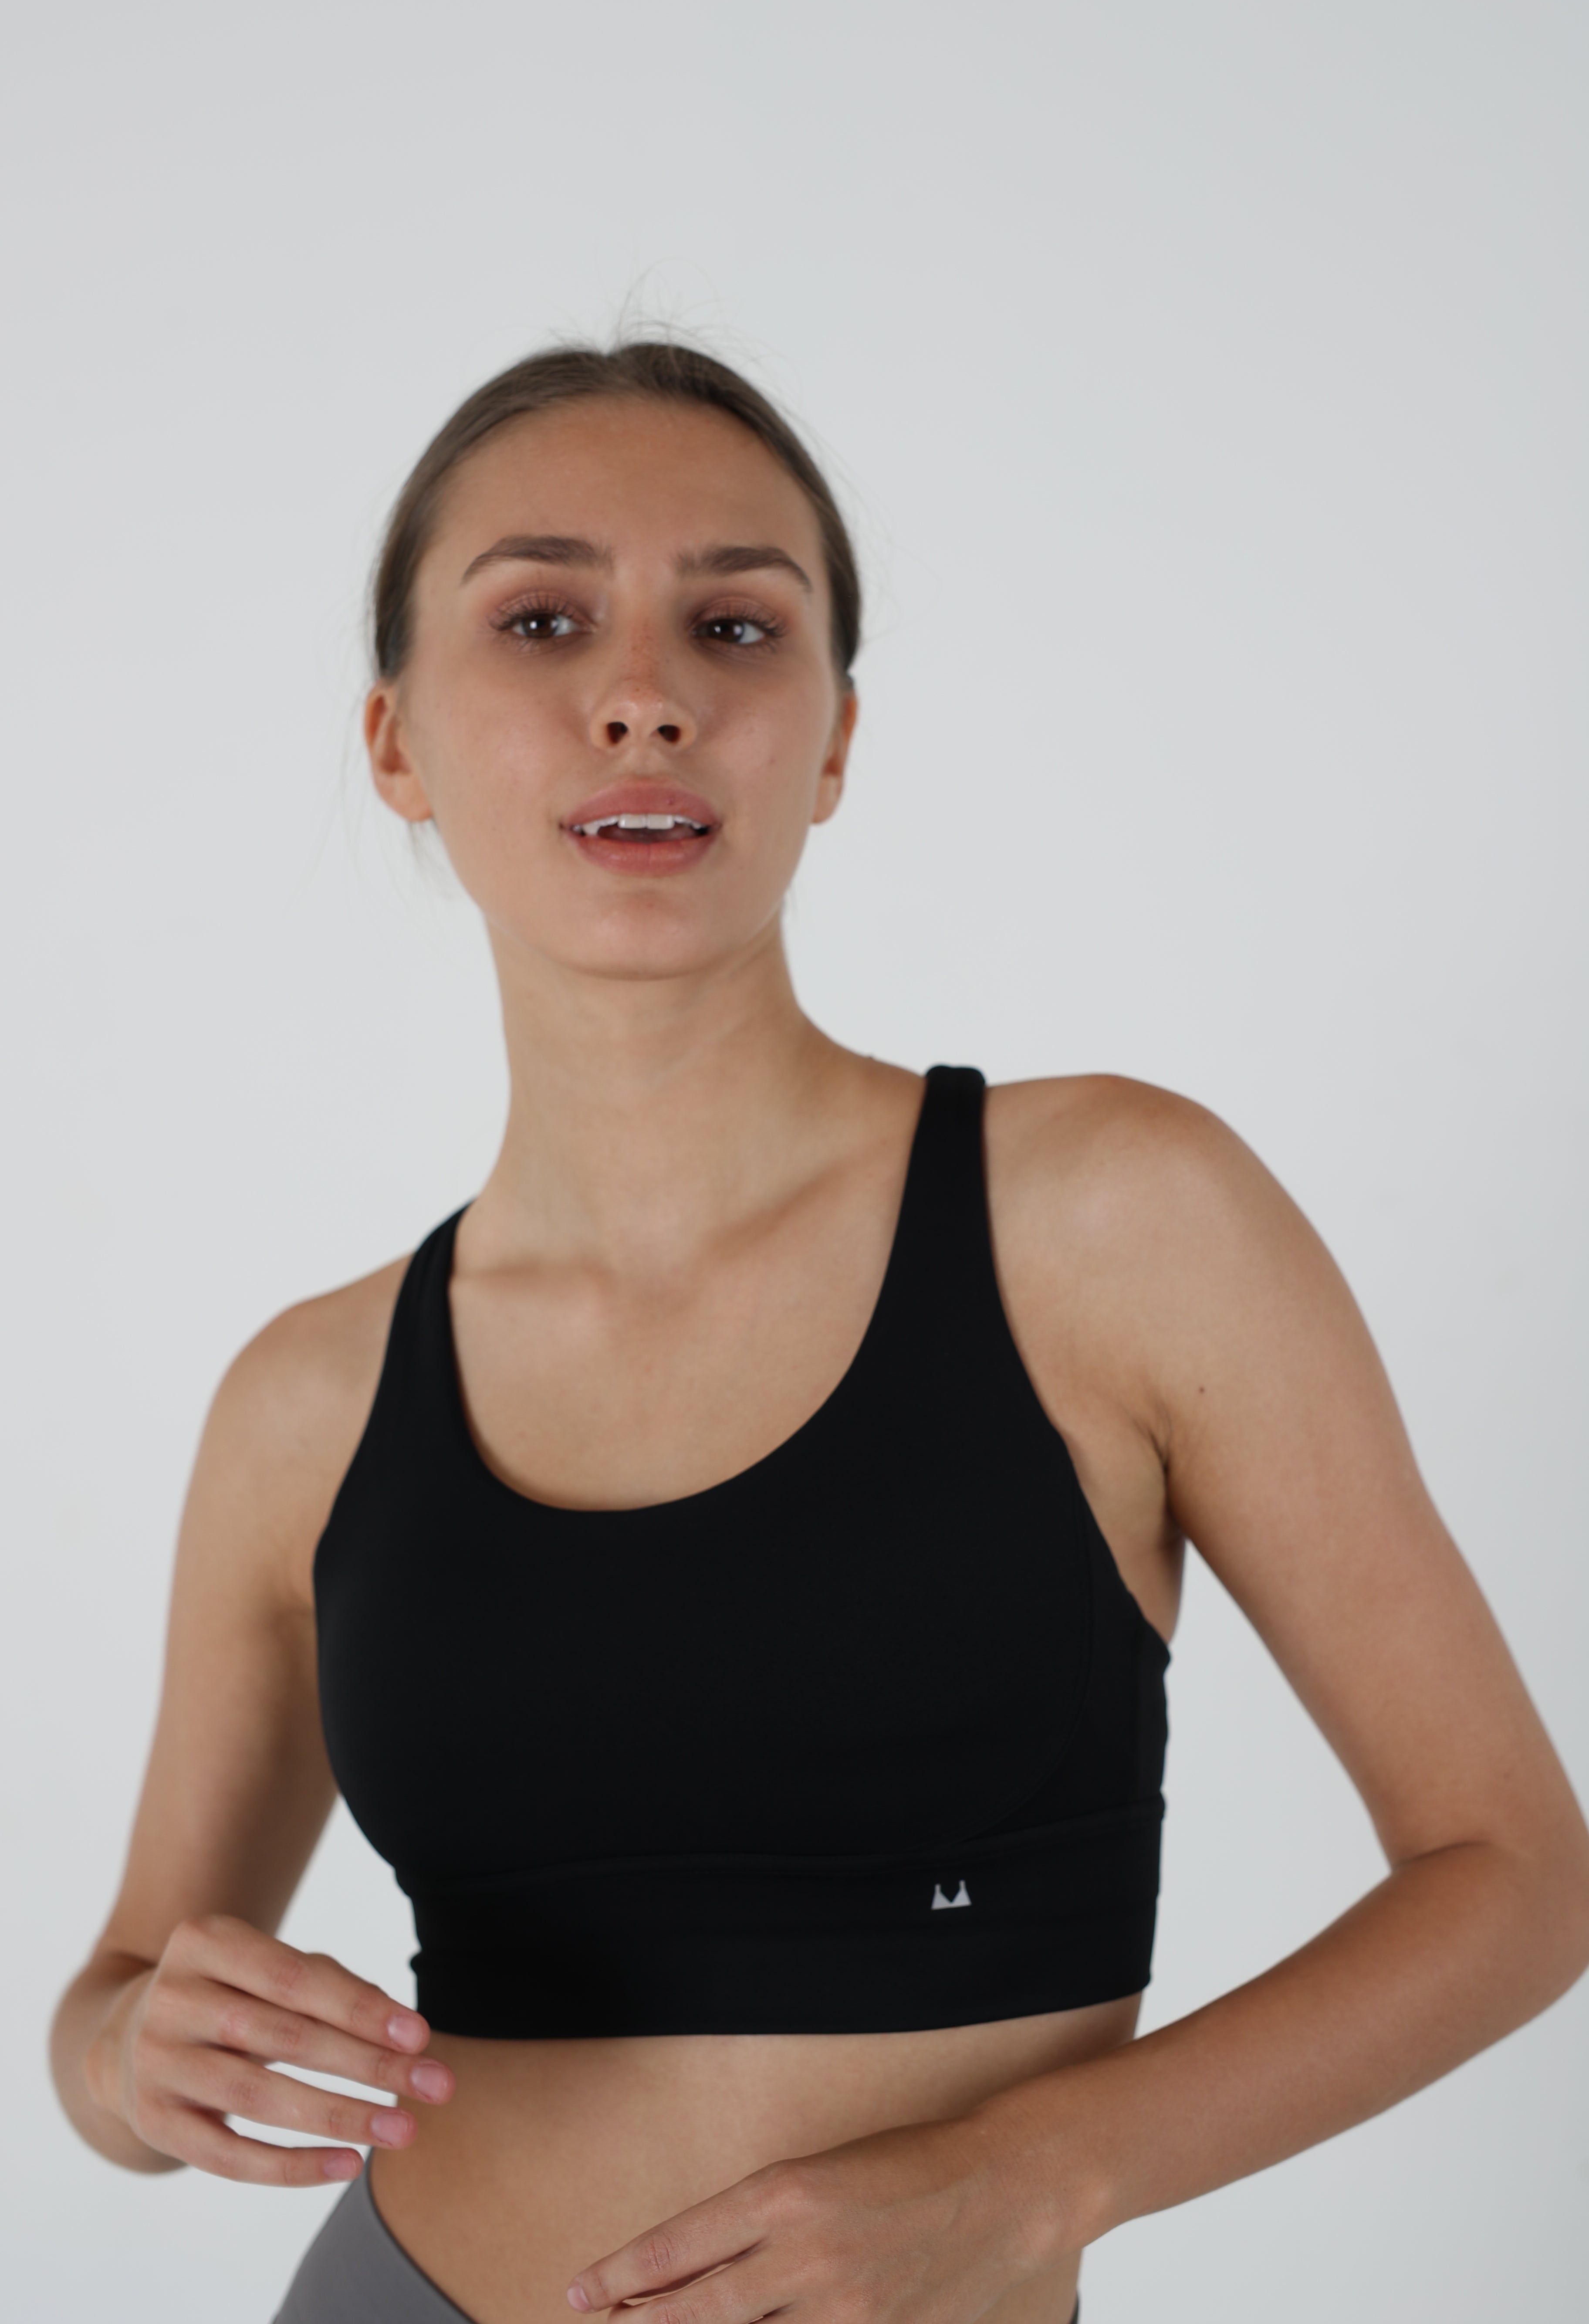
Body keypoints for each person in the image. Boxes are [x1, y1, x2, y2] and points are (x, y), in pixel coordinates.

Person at [49, 339, 1589, 2324]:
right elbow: (115, 2013)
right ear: (396, 742)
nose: (644, 694)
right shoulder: (310, 1400)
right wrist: (127, 2060)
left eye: (735, 625)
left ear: (836, 740)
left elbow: (1515, 1873)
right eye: (542, 620)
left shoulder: (1112, 1223)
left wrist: (1034, 2177)